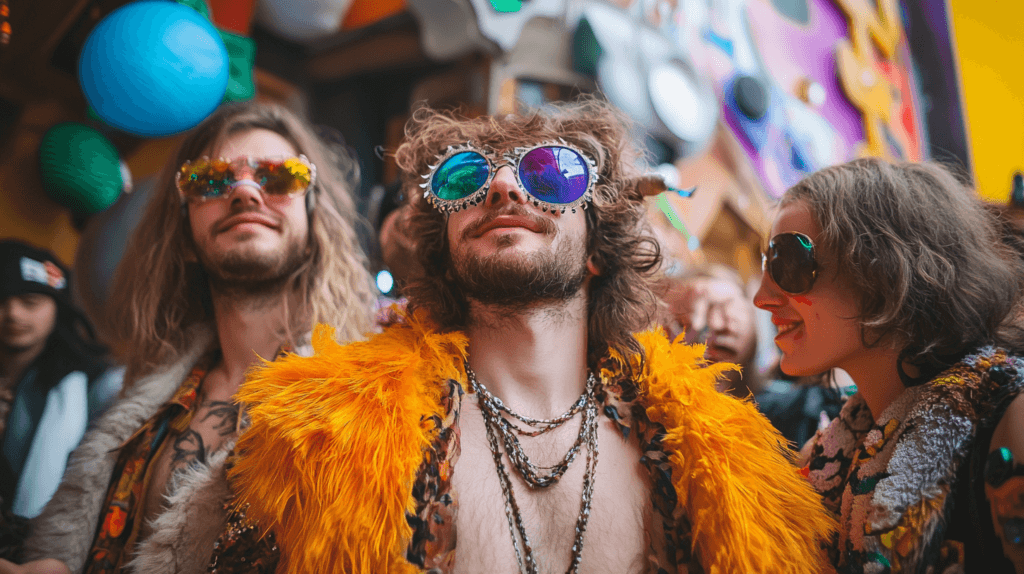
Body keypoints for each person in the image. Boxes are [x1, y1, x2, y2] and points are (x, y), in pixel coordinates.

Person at [224, 99, 833, 574]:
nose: (505, 188)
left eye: (552, 176)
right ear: (442, 251)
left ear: (598, 249)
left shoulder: (723, 471)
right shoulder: (320, 439)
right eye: (466, 179)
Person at [8, 101, 376, 574]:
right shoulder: (144, 395)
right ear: (183, 232)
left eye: (280, 176)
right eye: (210, 180)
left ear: (314, 219)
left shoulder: (362, 406)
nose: (244, 191)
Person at [753, 158, 1024, 573]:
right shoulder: (825, 458)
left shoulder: (1009, 421)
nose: (762, 297)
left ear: (883, 266)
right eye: (767, 263)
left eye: (787, 263)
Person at [0, 240, 122, 521]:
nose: (13, 314)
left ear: (58, 308)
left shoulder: (101, 388)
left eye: (30, 302)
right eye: (1, 301)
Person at [660, 265, 843, 446]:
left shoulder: (800, 285)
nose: (716, 324)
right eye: (700, 340)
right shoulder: (774, 413)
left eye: (712, 307)